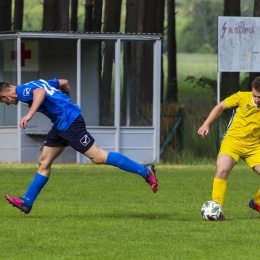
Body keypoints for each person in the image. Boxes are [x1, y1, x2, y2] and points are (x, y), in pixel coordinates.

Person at [0, 78, 158, 214]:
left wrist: (29, 115)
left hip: (70, 125)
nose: (7, 104)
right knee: (44, 161)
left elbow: (40, 93)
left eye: (3, 101)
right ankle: (26, 202)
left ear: (5, 95)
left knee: (99, 157)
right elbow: (64, 83)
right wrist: (66, 102)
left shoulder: (22, 92)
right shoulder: (33, 83)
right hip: (60, 125)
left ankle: (145, 170)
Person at [197, 76, 260, 220]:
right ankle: (216, 211)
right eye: (255, 96)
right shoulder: (241, 97)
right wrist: (206, 124)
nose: (257, 99)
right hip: (232, 142)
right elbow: (220, 106)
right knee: (222, 170)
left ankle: (257, 202)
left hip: (254, 147)